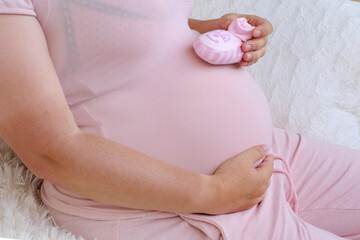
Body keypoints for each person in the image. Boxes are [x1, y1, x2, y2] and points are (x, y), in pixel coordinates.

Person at [0, 0, 359, 239]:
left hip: (263, 157)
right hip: (164, 205)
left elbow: (98, 35)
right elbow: (49, 150)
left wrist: (213, 30)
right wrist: (215, 194)